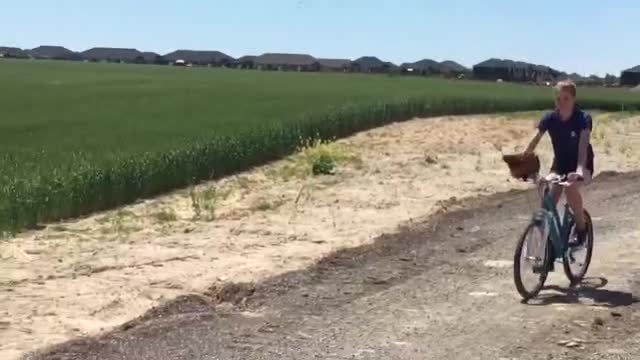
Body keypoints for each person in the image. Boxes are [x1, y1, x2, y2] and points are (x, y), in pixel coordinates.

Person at [523, 80, 594, 248]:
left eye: (566, 99)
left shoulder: (583, 119)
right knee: (547, 199)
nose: (561, 103)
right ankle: (546, 247)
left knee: (570, 188)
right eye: (558, 99)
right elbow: (535, 140)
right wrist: (524, 159)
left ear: (573, 99)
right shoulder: (550, 118)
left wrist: (578, 170)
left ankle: (581, 229)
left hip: (582, 164)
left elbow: (583, 146)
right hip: (560, 165)